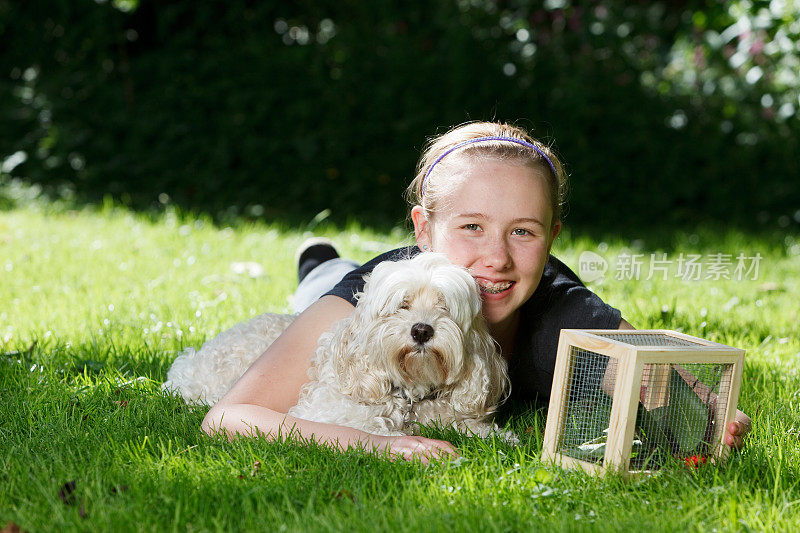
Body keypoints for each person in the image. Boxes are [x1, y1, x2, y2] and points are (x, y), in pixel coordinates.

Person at [202, 121, 751, 462]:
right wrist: (380, 445)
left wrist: (707, 412)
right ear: (422, 230)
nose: (497, 258)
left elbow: (666, 376)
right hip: (359, 291)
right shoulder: (365, 302)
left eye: (523, 232)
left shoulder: (565, 309)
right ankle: (320, 263)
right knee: (317, 290)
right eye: (471, 227)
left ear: (551, 238)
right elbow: (230, 416)